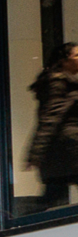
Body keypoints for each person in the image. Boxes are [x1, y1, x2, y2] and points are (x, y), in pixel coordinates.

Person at [29, 42, 78, 209]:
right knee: (52, 195)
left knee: (52, 195)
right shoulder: (58, 83)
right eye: (76, 56)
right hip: (67, 149)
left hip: (65, 151)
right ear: (64, 61)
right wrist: (37, 151)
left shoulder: (67, 83)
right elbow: (51, 117)